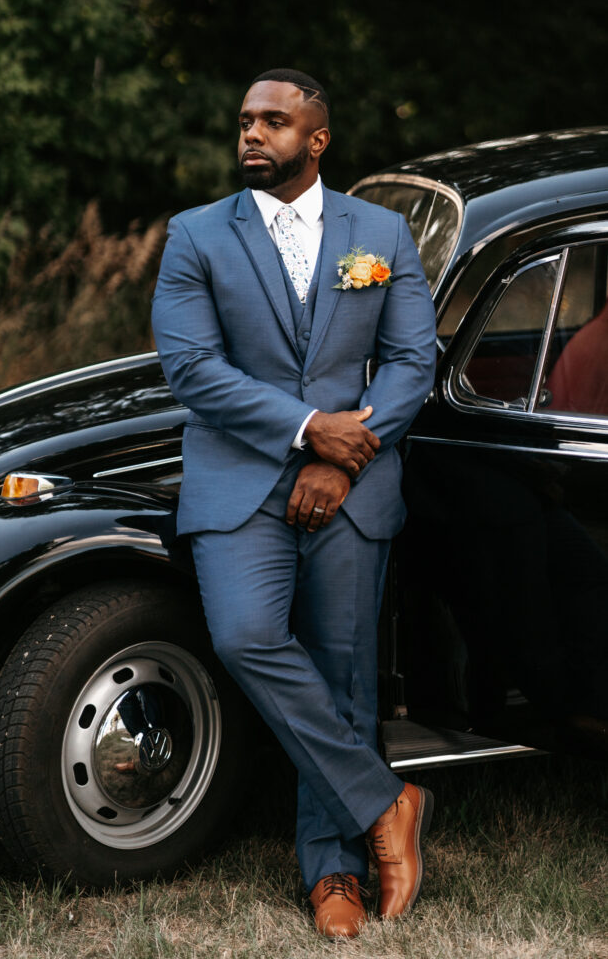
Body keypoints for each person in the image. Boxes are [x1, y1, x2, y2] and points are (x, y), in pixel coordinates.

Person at [152, 68, 437, 938]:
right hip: (241, 482)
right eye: (244, 121)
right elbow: (193, 370)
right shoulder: (195, 236)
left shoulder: (379, 232)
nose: (252, 135)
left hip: (352, 483)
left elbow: (410, 361)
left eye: (273, 122)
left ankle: (335, 876)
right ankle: (386, 802)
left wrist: (344, 458)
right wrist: (311, 428)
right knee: (246, 635)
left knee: (344, 673)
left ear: (315, 139)